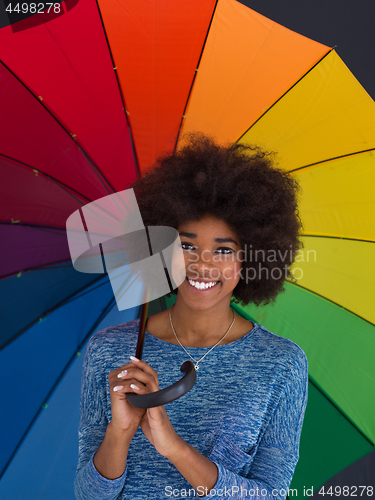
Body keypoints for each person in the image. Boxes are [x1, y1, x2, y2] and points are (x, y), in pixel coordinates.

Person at [74, 133, 308, 500]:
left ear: (252, 258)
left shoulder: (280, 364)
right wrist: (118, 432)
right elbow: (88, 495)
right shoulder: (110, 350)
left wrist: (174, 447)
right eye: (186, 245)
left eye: (224, 250)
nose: (202, 264)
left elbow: (271, 495)